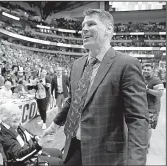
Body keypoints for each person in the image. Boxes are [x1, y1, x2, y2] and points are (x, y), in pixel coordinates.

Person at [43, 9, 149, 166]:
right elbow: (73, 101)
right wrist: (54, 125)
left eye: (91, 24)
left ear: (109, 30)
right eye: (82, 25)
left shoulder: (126, 64)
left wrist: (136, 162)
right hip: (72, 148)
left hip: (106, 156)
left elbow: (137, 120)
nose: (84, 29)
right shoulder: (77, 65)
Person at [0, 102, 63, 166]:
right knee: (59, 163)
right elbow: (19, 157)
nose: (18, 117)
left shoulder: (13, 125)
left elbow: (26, 133)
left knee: (58, 152)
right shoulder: (5, 134)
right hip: (24, 161)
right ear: (4, 117)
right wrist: (39, 144)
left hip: (30, 151)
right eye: (13, 115)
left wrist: (36, 137)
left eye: (18, 114)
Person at [142, 64, 164, 151]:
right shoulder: (142, 79)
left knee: (148, 127)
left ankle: (146, 144)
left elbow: (160, 93)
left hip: (152, 108)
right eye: (145, 69)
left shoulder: (156, 80)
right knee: (143, 126)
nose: (146, 71)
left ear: (152, 71)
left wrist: (147, 90)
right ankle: (145, 142)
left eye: (148, 69)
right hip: (142, 106)